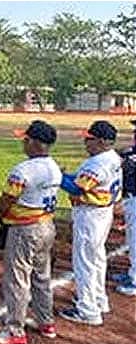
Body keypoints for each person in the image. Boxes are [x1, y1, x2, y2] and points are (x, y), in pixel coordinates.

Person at [0, 121, 63, 344]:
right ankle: (46, 322)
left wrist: (0, 215)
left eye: (26, 139)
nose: (23, 143)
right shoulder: (54, 167)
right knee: (42, 276)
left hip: (25, 229)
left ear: (35, 142)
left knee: (17, 278)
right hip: (46, 226)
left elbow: (7, 199)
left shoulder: (23, 170)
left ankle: (15, 332)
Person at [58, 121, 122, 326]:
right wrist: (65, 176)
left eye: (90, 139)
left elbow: (78, 189)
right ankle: (99, 299)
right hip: (103, 213)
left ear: (102, 141)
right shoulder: (111, 157)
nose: (86, 142)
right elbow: (80, 181)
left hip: (90, 216)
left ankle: (88, 310)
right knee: (97, 259)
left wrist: (57, 176)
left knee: (84, 262)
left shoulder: (97, 163)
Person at [114, 119, 136, 296]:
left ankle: (135, 280)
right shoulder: (131, 152)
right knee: (132, 239)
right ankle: (132, 272)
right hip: (130, 200)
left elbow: (127, 165)